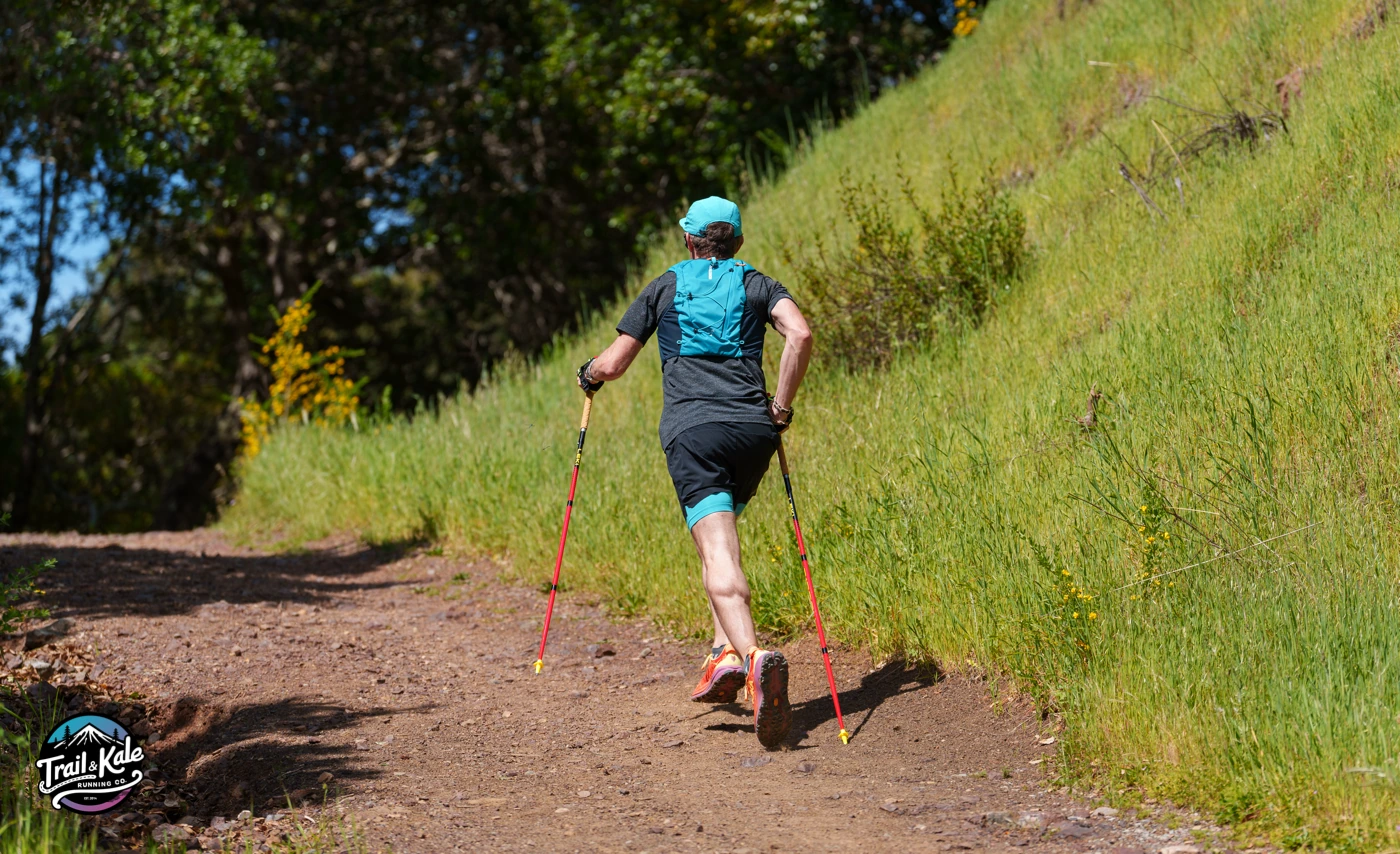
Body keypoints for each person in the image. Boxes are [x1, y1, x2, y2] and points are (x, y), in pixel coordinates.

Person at [577, 196, 813, 750]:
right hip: (753, 433)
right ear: (738, 242)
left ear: (688, 240)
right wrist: (779, 408)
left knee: (717, 552)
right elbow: (799, 335)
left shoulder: (666, 286)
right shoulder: (758, 283)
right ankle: (723, 652)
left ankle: (754, 657)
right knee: (722, 537)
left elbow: (613, 364)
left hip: (693, 434)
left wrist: (587, 373)